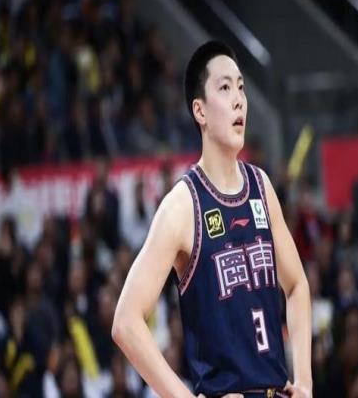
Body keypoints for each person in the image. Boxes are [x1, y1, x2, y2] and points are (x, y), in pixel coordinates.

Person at [112, 41, 312, 397]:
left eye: (241, 88)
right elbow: (126, 323)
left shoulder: (261, 187)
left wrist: (305, 382)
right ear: (200, 111)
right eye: (225, 88)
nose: (239, 100)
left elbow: (297, 286)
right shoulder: (181, 206)